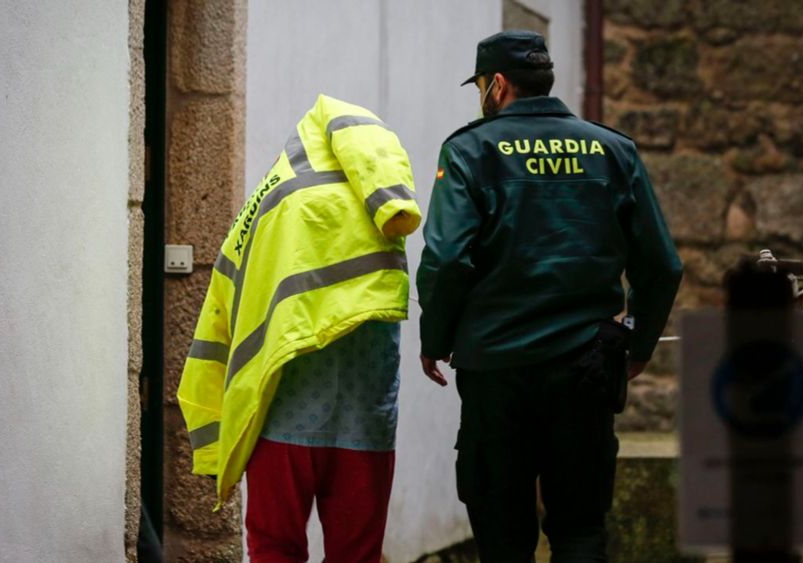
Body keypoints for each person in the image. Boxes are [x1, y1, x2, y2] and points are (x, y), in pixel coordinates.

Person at [417, 30, 683, 562]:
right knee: (580, 529)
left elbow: (446, 260)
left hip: (495, 369)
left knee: (503, 536)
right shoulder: (612, 149)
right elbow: (661, 265)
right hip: (584, 367)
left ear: (496, 85)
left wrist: (436, 338)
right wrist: (639, 346)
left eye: (481, 87)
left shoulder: (471, 150)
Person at [177, 94, 422, 563]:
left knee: (275, 549)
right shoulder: (383, 207)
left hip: (284, 414)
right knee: (357, 555)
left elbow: (224, 314)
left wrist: (214, 439)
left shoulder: (272, 203)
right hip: (366, 420)